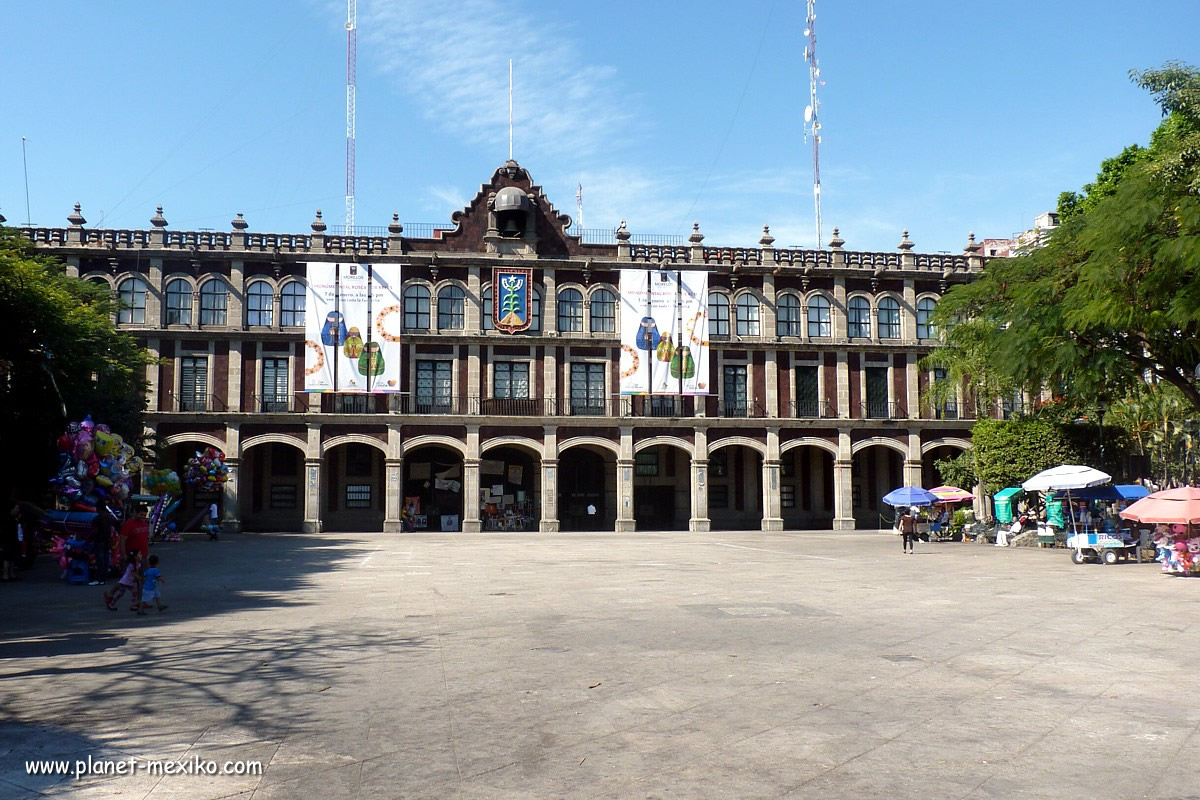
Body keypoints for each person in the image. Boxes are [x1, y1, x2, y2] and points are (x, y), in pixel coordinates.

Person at [1, 498, 21, 582]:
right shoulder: (8, 519)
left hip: (13, 540)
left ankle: (11, 574)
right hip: (8, 540)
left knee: (12, 558)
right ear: (11, 509)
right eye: (16, 508)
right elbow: (6, 531)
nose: (17, 510)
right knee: (7, 558)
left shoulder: (13, 518)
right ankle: (5, 575)